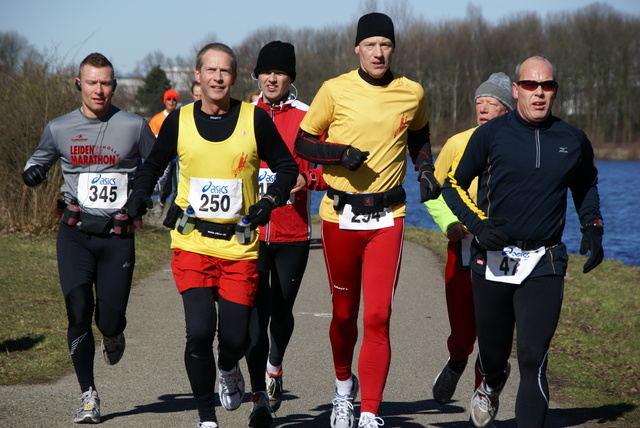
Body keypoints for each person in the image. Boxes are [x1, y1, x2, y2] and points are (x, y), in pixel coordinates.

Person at [127, 43, 298, 428]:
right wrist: (141, 193)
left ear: (234, 78)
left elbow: (286, 168)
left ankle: (228, 367)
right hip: (192, 243)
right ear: (198, 78)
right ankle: (206, 418)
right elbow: (152, 164)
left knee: (236, 339)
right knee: (200, 332)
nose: (218, 77)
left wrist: (269, 201)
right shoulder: (179, 120)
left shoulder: (254, 119)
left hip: (239, 247)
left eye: (225, 72)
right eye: (211, 71)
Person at [294, 13, 441, 428]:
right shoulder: (334, 90)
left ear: (393, 49)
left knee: (377, 316)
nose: (379, 52)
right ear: (357, 48)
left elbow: (419, 137)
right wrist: (339, 154)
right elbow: (304, 141)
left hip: (387, 217)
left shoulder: (411, 92)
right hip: (339, 215)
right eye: (371, 44)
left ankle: (371, 412)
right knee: (343, 314)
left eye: (386, 45)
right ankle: (344, 391)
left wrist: (426, 171)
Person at [442, 55, 604, 427]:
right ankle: (491, 382)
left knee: (534, 357)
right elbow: (452, 184)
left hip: (544, 259)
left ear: (555, 91)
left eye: (547, 86)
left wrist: (592, 226)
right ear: (516, 90)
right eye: (530, 85)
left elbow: (585, 185)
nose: (539, 93)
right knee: (495, 354)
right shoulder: (491, 134)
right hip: (493, 257)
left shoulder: (573, 139)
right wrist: (478, 226)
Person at [22, 52, 155, 424]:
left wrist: (143, 199)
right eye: (92, 82)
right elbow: (38, 161)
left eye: (106, 83)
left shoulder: (134, 125)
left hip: (117, 237)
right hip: (75, 234)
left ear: (115, 85)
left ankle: (113, 333)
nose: (100, 90)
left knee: (109, 320)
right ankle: (88, 395)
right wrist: (32, 174)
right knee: (77, 310)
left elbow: (158, 165)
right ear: (79, 84)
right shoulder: (59, 127)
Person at [244, 40, 328, 425]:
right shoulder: (245, 114)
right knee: (254, 312)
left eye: (279, 72)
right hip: (253, 231)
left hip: (293, 232)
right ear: (258, 76)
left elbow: (327, 171)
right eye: (266, 72)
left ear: (290, 78)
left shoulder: (307, 116)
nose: (272, 78)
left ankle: (275, 365)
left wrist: (305, 180)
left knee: (282, 310)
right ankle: (259, 387)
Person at [424, 72, 514, 404]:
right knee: (464, 335)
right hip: (462, 247)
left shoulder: (520, 146)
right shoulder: (458, 143)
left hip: (505, 252)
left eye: (492, 103)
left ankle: (483, 401)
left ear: (507, 109)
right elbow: (431, 191)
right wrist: (449, 223)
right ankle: (457, 359)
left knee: (494, 338)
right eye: (479, 103)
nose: (483, 108)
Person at [148, 89, 180, 210]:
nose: (171, 102)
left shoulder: (181, 116)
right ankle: (159, 203)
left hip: (178, 157)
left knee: (178, 186)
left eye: (174, 99)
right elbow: (151, 139)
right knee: (164, 186)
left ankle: (174, 211)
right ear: (164, 101)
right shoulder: (157, 119)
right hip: (164, 158)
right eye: (169, 99)